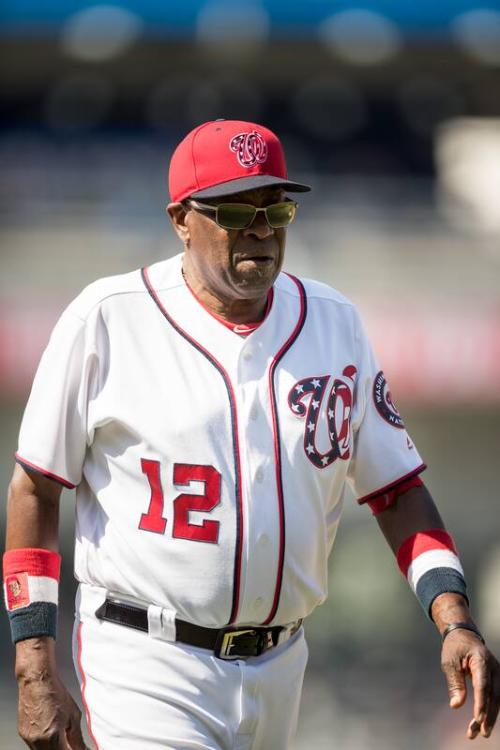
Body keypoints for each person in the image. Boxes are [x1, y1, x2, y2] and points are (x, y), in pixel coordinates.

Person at [4, 119, 499, 750]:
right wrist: (34, 668)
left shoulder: (332, 323)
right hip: (145, 660)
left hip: (282, 664)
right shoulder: (108, 319)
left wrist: (454, 620)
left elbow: (398, 489)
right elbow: (35, 489)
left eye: (276, 208)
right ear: (182, 219)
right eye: (237, 211)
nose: (261, 230)